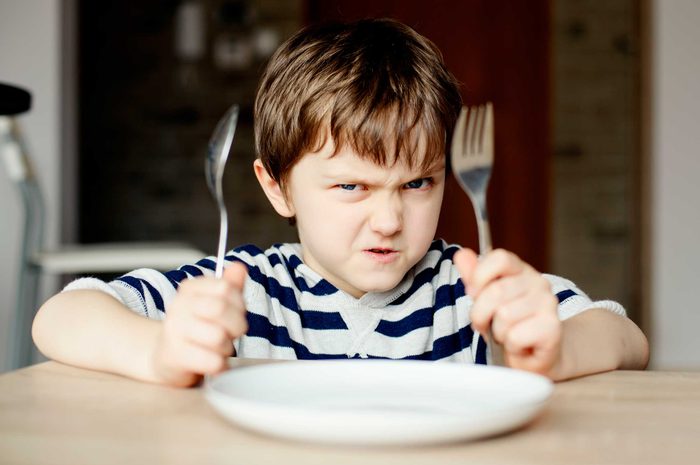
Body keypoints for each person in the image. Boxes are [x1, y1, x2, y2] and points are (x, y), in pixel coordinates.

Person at [32, 18, 649, 387]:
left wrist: (555, 350)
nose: (388, 220)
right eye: (352, 186)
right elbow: (61, 315)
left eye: (418, 184)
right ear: (276, 186)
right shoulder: (245, 290)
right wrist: (158, 352)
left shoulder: (470, 290)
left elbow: (625, 336)